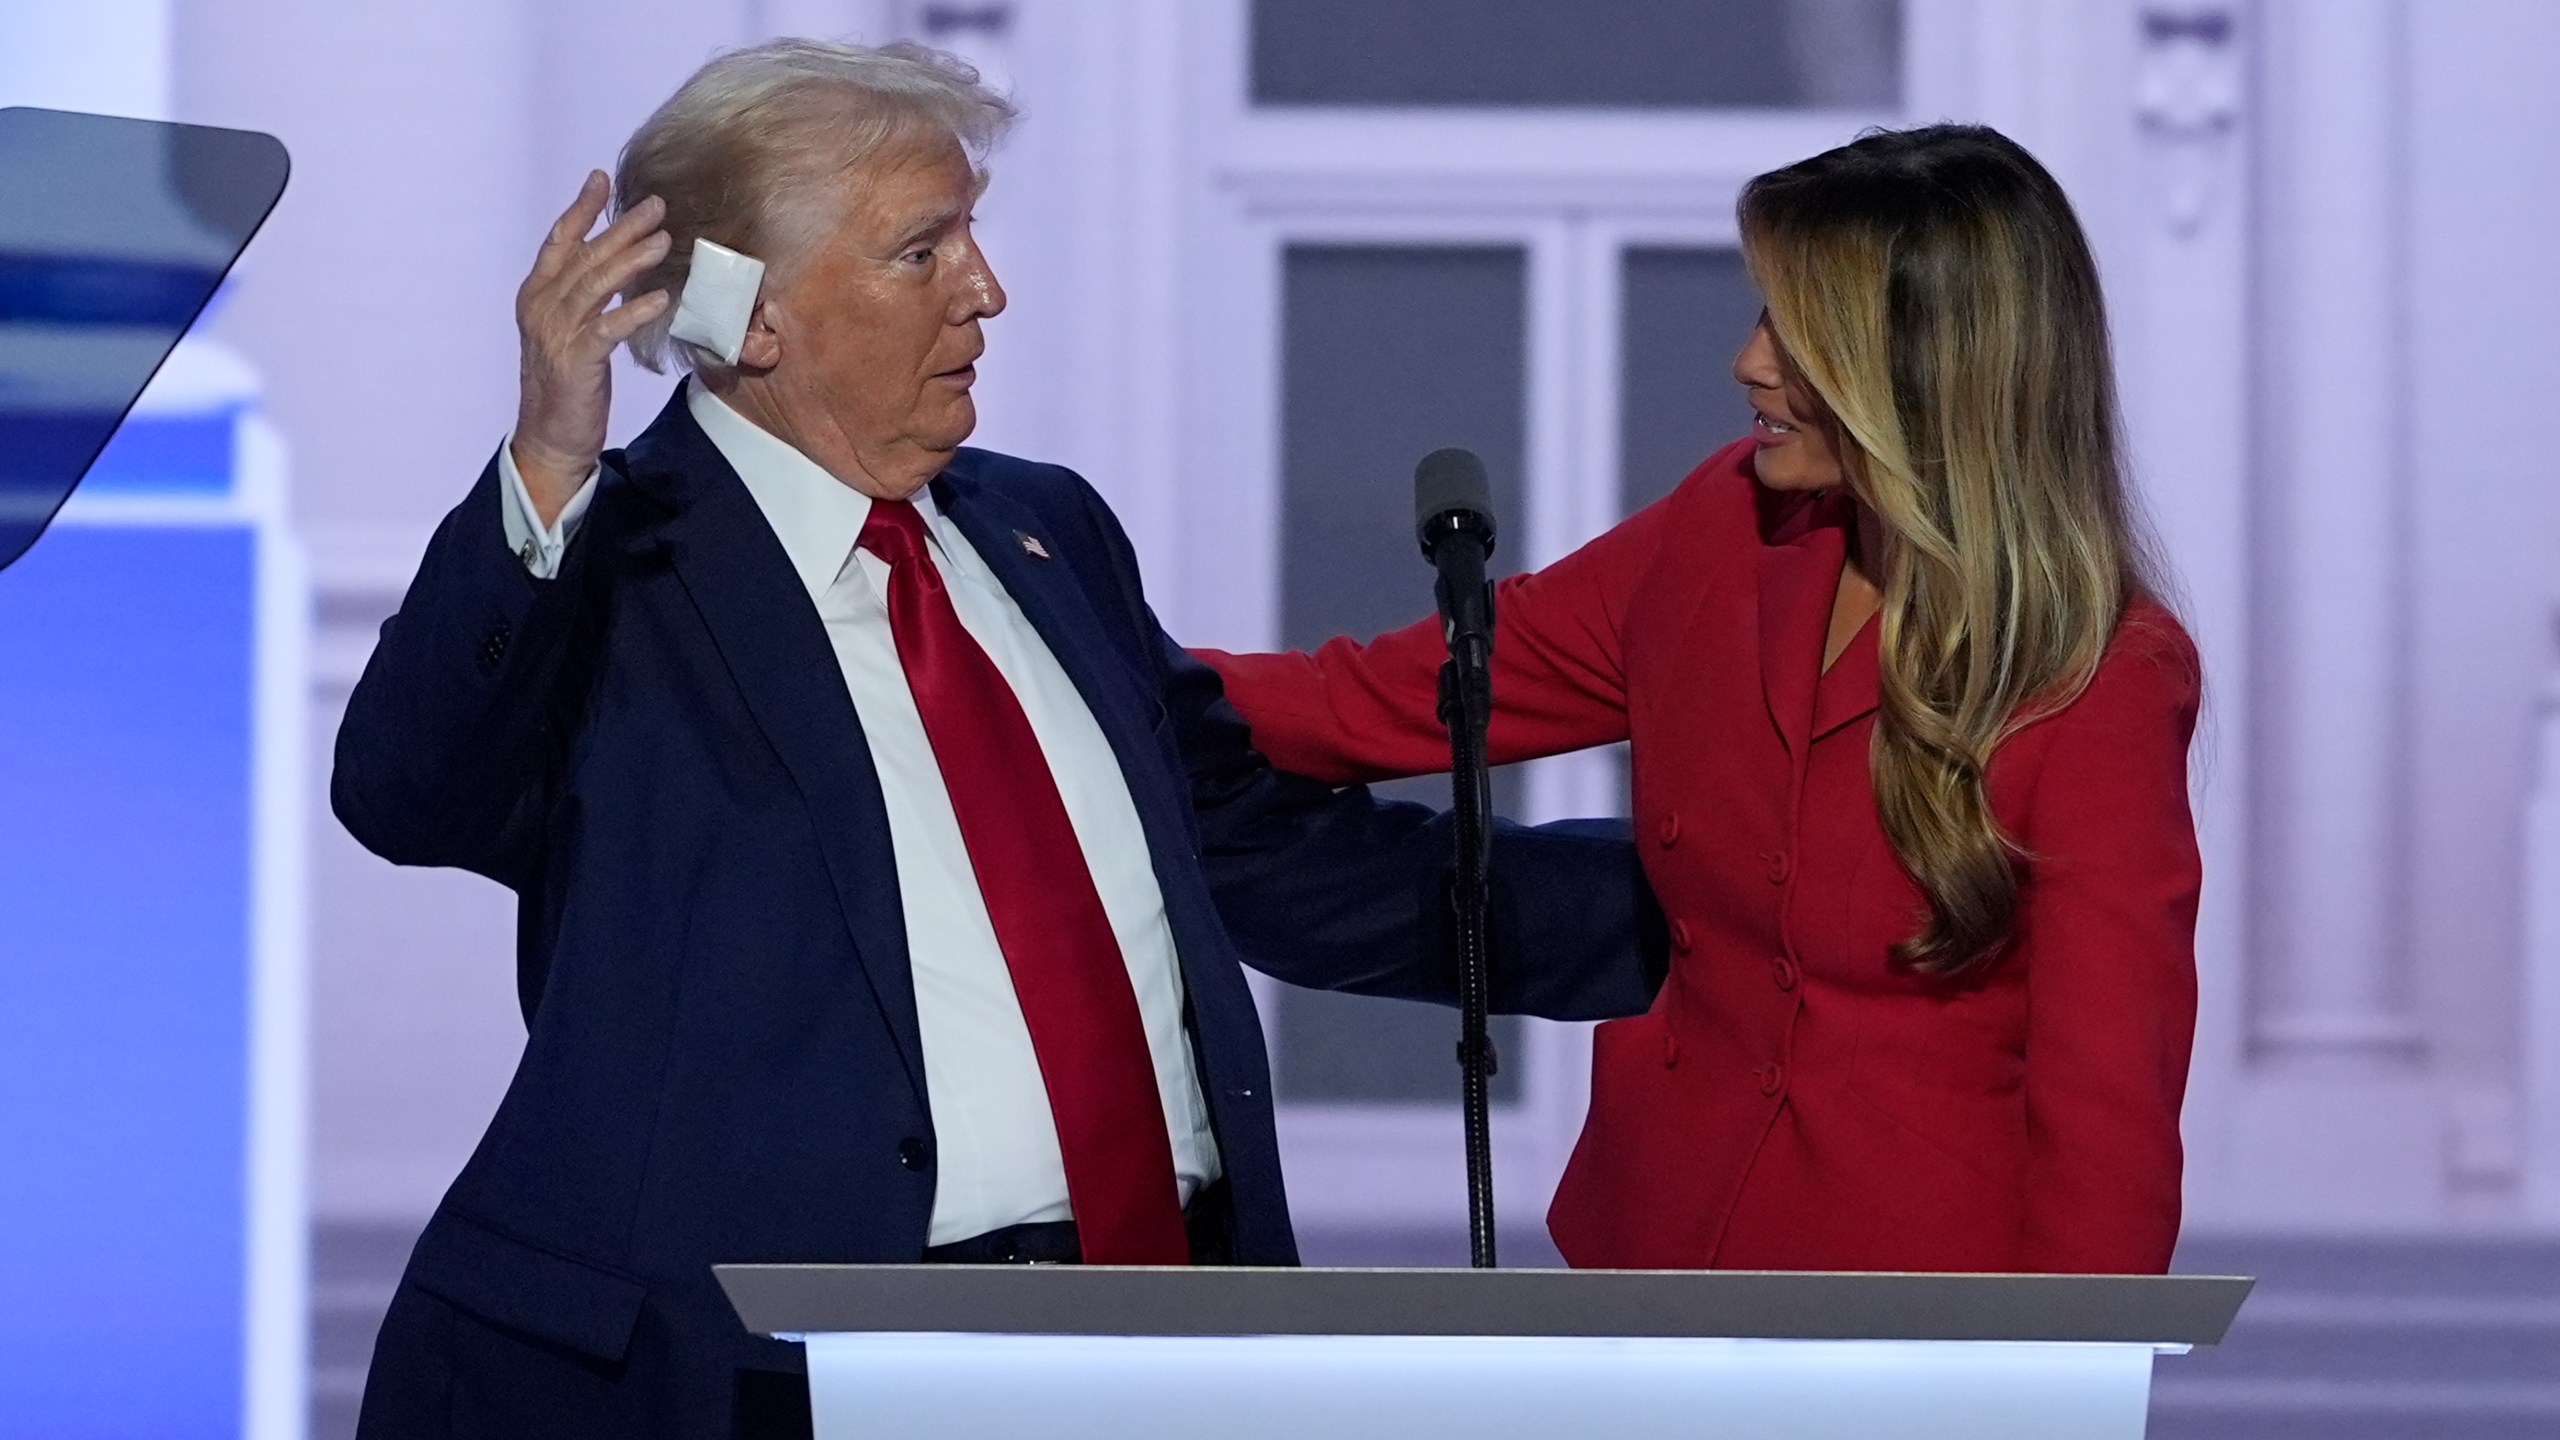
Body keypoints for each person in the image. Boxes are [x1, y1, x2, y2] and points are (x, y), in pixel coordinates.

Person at [335, 40, 1658, 1440]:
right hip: (776, 1376)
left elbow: (1276, 860)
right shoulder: (615, 565)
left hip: (1157, 1334)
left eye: (971, 232)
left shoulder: (1050, 533)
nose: (987, 288)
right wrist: (550, 462)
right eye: (924, 248)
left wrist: (1733, 910)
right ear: (750, 317)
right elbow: (410, 793)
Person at [1201, 124, 2202, 1275]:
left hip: (1915, 1312)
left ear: (1926, 370)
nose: (1748, 363)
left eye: (1794, 330)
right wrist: (1071, 661)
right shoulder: (1725, 528)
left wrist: (2064, 1375)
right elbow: (1390, 699)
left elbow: (2106, 1105)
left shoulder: (2100, 676)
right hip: (1652, 1258)